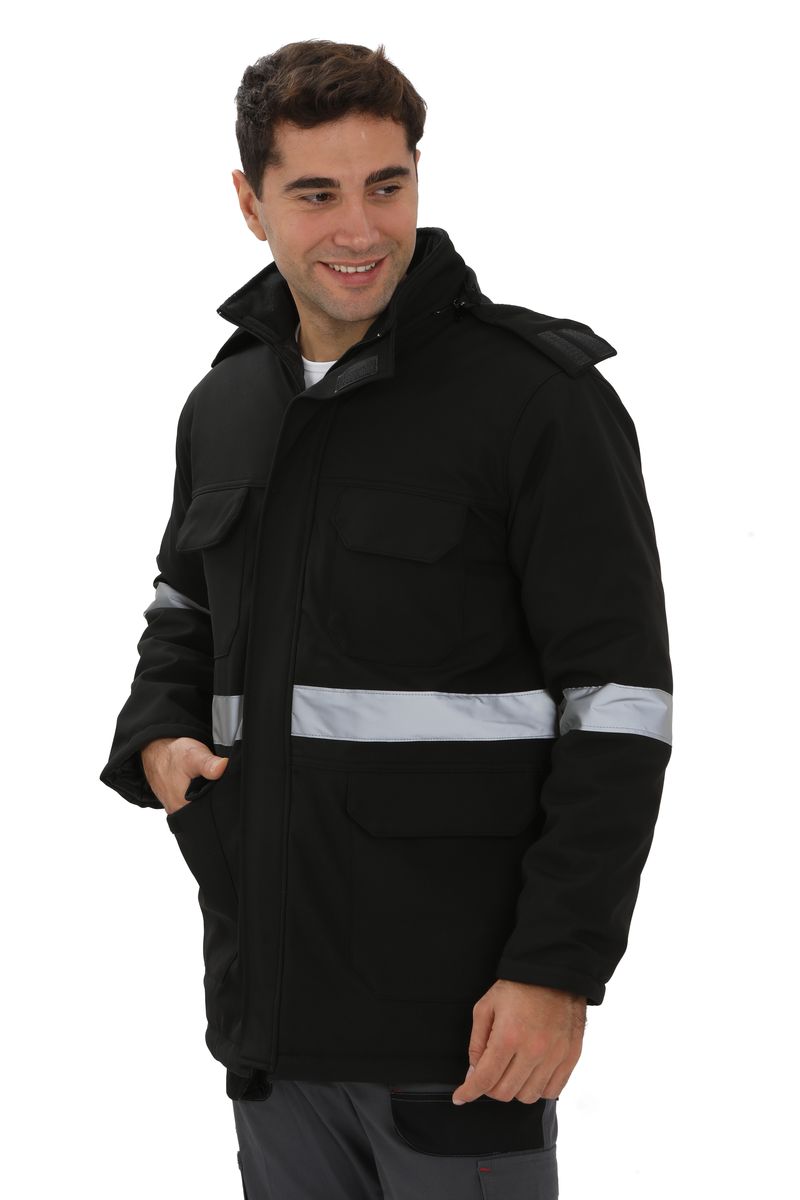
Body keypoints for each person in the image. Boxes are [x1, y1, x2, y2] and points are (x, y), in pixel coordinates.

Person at [99, 38, 673, 1200]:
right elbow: (183, 601)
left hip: (462, 1033)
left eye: (386, 185)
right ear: (250, 202)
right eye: (316, 194)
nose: (359, 229)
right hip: (269, 1017)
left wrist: (557, 966)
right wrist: (156, 736)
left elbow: (619, 705)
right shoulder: (228, 400)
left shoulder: (533, 400)